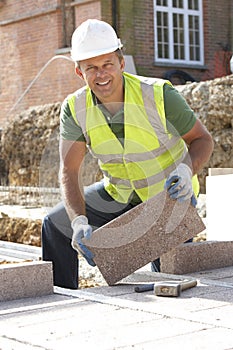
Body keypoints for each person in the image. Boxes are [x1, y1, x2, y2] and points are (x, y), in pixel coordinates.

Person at [42, 19, 214, 289]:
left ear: (121, 63)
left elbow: (203, 140)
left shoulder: (159, 95)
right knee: (55, 224)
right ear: (79, 72)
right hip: (118, 193)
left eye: (107, 64)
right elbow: (69, 171)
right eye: (91, 68)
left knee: (164, 279)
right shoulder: (75, 108)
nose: (101, 75)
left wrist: (185, 170)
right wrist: (78, 221)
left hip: (168, 196)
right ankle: (61, 297)